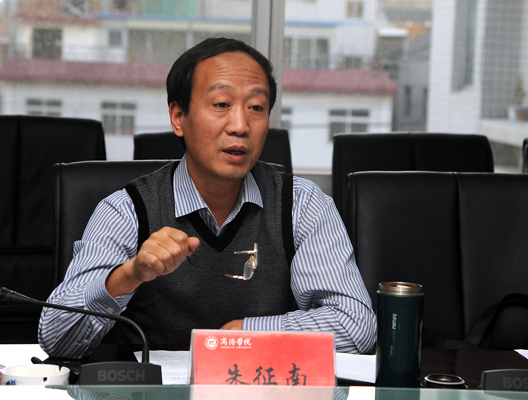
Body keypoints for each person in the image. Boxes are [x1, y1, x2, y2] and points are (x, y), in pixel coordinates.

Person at [39, 37, 376, 359]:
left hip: (262, 386)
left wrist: (246, 334)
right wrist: (130, 275)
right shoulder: (127, 211)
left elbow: (356, 327)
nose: (240, 125)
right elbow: (57, 338)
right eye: (221, 105)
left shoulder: (302, 205)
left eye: (256, 107)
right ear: (178, 117)